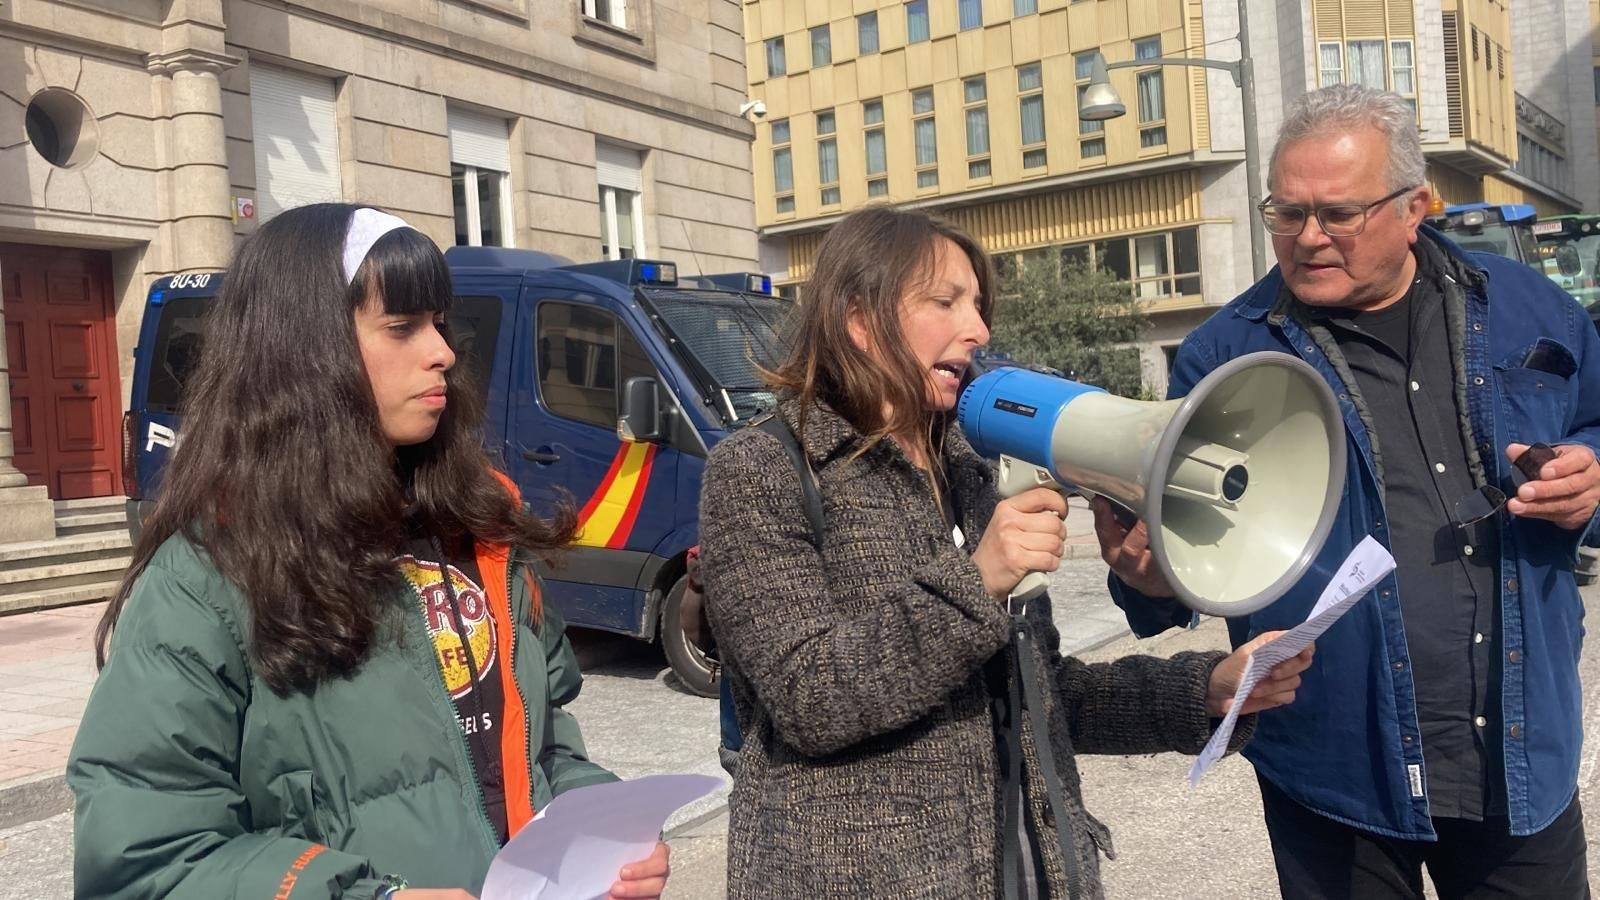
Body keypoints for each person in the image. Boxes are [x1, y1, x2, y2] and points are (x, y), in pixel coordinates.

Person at [697, 204, 1315, 899]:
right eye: (946, 302)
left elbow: (1044, 695)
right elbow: (808, 698)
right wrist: (976, 582)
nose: (979, 330)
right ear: (859, 319)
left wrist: (1205, 690)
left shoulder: (968, 471)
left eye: (978, 305)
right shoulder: (762, 471)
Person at [67, 204, 670, 900]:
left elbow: (546, 739)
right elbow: (140, 860)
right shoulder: (207, 575)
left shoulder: (481, 530)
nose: (443, 351)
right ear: (305, 348)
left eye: (440, 322)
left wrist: (600, 832)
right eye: (402, 326)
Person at [1102, 84, 1600, 899]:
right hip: (1334, 774)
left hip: (1521, 755)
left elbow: (1593, 429)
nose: (1307, 238)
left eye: (1337, 214)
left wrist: (1590, 478)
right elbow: (1179, 554)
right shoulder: (1223, 358)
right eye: (1286, 212)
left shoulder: (1531, 309)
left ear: (1414, 207)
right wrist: (1148, 577)